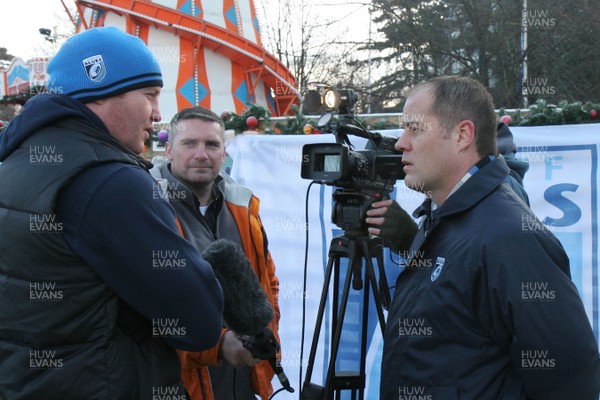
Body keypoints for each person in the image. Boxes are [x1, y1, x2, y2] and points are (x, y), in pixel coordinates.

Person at [0, 27, 224, 399]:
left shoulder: (14, 163)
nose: (157, 113)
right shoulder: (111, 182)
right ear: (100, 93)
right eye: (150, 95)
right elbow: (198, 322)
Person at [377, 76, 600, 399]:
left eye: (414, 128)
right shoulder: (445, 218)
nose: (400, 143)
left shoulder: (509, 235)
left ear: (462, 135)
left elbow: (572, 383)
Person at [150, 106, 281, 400]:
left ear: (224, 153)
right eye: (189, 143)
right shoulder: (148, 207)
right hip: (179, 385)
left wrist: (260, 336)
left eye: (211, 144)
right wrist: (218, 345)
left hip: (242, 380)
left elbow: (267, 281)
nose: (201, 153)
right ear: (169, 150)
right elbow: (148, 307)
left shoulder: (243, 206)